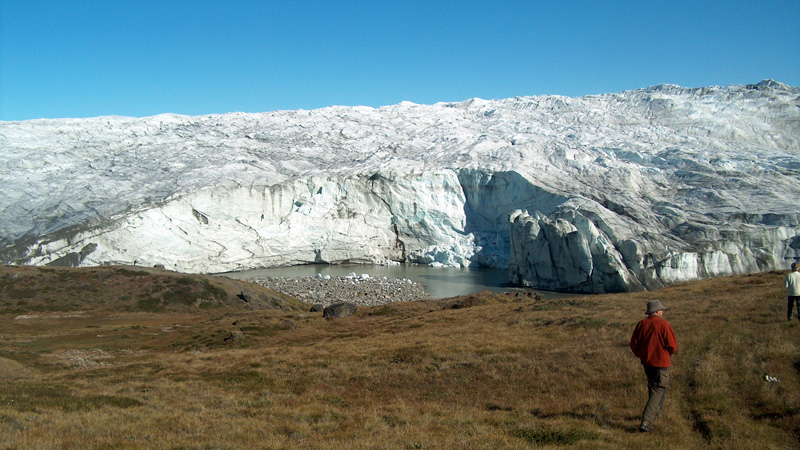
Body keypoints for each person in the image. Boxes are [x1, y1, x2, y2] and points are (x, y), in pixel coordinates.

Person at [630, 300, 678, 433]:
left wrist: (642, 355)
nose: (663, 311)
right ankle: (647, 421)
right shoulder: (663, 325)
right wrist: (668, 353)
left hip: (647, 363)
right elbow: (673, 346)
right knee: (659, 389)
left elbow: (634, 344)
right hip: (661, 363)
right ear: (657, 311)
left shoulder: (641, 324)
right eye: (661, 310)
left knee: (654, 388)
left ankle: (656, 414)